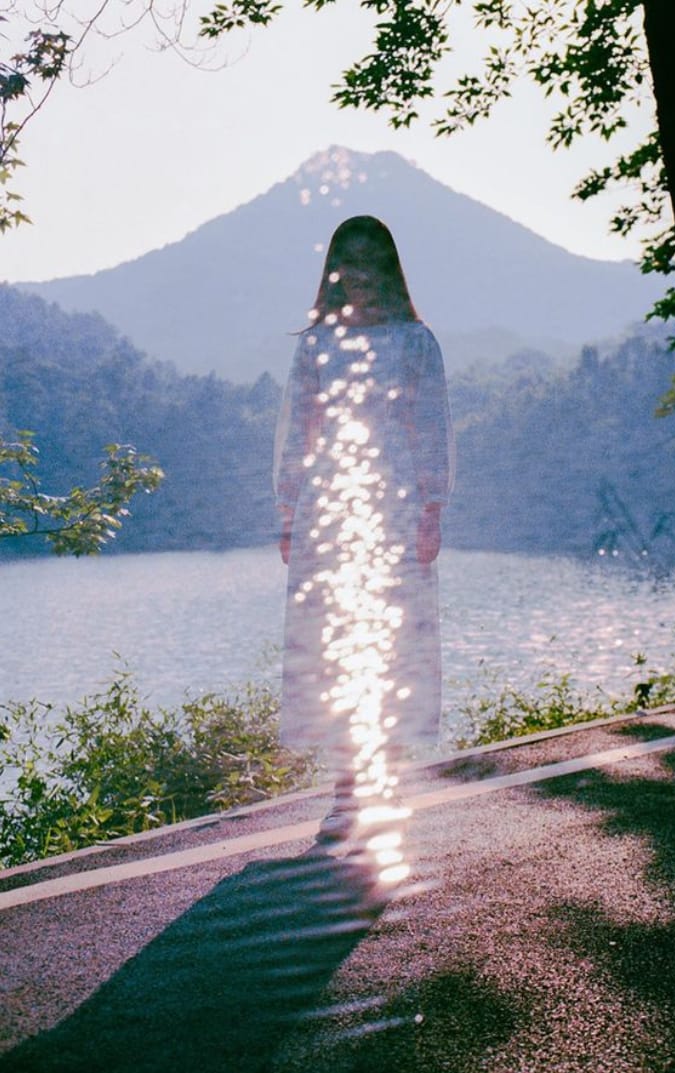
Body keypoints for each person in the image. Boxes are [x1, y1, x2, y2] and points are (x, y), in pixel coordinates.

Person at [272, 216, 454, 840]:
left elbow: (430, 428)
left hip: (398, 508)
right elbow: (300, 428)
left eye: (369, 259)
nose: (358, 271)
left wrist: (433, 508)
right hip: (330, 509)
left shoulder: (414, 342)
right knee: (337, 639)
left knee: (394, 639)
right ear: (334, 268)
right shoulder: (315, 345)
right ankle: (349, 785)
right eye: (346, 259)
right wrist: (289, 510)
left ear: (388, 266)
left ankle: (386, 777)